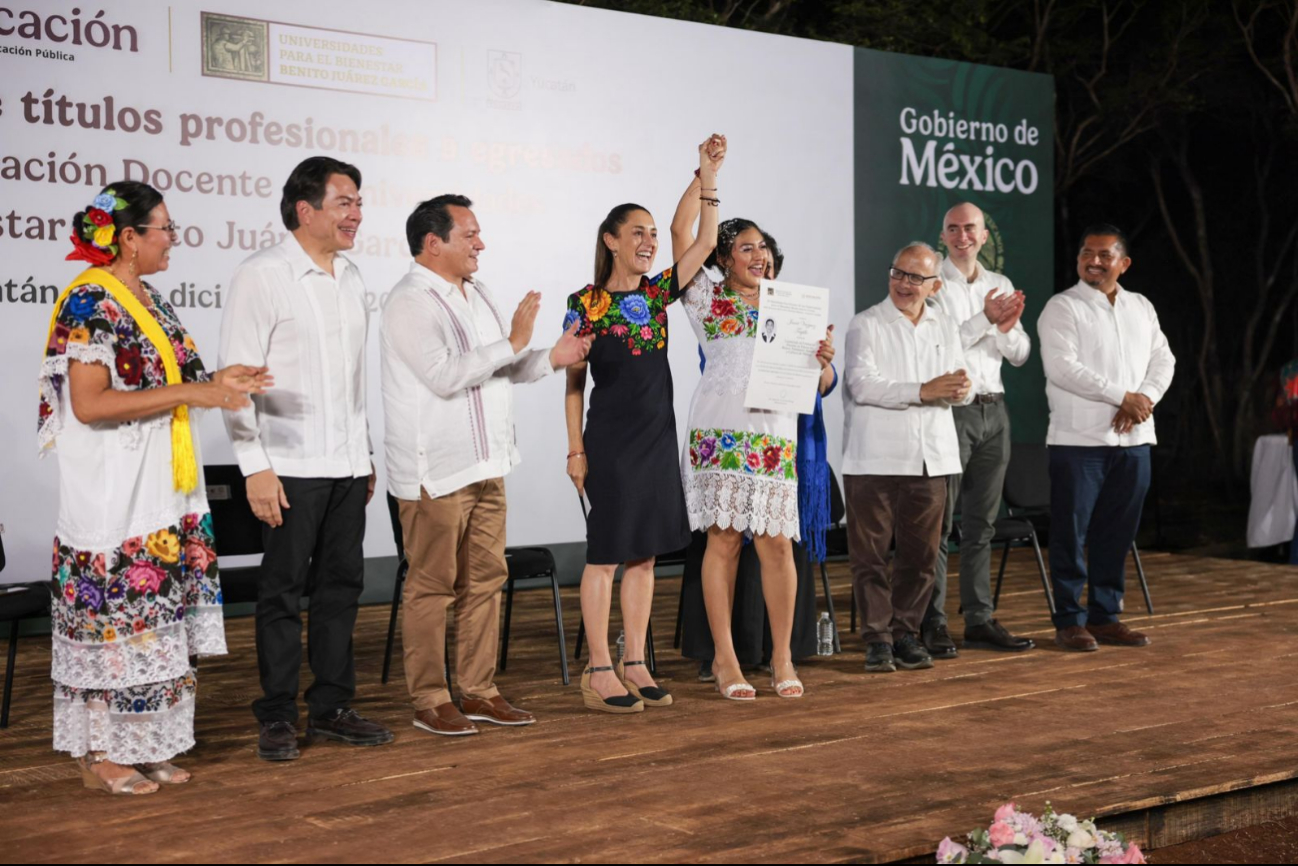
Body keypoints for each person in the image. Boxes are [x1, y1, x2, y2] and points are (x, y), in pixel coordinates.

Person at [39, 181, 270, 794]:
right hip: (117, 495)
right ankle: (99, 754)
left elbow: (177, 379)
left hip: (163, 490)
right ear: (127, 238)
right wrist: (195, 393)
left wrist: (221, 378)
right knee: (116, 618)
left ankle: (144, 741)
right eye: (163, 228)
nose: (174, 237)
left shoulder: (150, 298)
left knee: (157, 619)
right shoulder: (89, 301)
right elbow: (89, 405)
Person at [381, 194, 592, 736]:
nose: (481, 243)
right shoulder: (409, 300)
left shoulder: (478, 295)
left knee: (485, 580)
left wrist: (548, 356)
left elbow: (502, 369)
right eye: (469, 234)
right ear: (433, 243)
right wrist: (513, 341)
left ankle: (478, 690)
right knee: (432, 585)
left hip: (487, 464)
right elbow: (446, 375)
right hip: (438, 472)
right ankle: (430, 698)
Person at [220, 156, 392, 760]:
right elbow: (235, 381)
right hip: (286, 466)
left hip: (346, 467)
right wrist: (253, 465)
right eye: (344, 202)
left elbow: (351, 381)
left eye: (359, 202)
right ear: (305, 209)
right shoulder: (261, 275)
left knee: (341, 588)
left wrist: (364, 452)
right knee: (281, 593)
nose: (357, 213)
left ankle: (332, 706)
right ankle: (275, 714)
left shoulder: (352, 278)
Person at [563, 137, 722, 713]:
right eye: (638, 232)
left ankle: (635, 661)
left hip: (657, 440)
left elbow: (705, 239)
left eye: (654, 234)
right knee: (606, 552)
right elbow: (574, 384)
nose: (650, 242)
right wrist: (575, 450)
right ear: (610, 240)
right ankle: (598, 668)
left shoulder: (657, 296)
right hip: (609, 444)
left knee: (646, 555)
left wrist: (705, 178)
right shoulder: (586, 304)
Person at [675, 224, 838, 682]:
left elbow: (823, 384)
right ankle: (725, 660)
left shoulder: (790, 307)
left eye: (763, 246)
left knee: (778, 544)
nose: (759, 255)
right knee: (722, 542)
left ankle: (782, 657)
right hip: (719, 436)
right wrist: (707, 177)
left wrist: (822, 362)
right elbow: (679, 232)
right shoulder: (705, 299)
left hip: (772, 437)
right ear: (723, 257)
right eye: (746, 247)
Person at [1038, 225, 1175, 652]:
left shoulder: (1141, 306)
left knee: (1117, 532)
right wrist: (1122, 396)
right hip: (1078, 441)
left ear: (1124, 263)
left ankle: (1104, 616)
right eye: (1086, 254)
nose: (1093, 261)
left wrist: (1143, 400)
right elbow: (1062, 367)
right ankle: (1068, 620)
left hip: (1134, 440)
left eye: (1104, 255)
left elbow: (1163, 360)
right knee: (1070, 532)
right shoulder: (1063, 307)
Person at [842, 242, 972, 674]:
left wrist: (958, 390)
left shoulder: (945, 326)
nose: (904, 283)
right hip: (874, 459)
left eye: (916, 277)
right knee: (870, 557)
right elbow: (862, 385)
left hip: (931, 459)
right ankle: (877, 638)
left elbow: (958, 383)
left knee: (921, 557)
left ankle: (906, 633)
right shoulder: (866, 324)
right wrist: (922, 391)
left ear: (934, 286)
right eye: (899, 272)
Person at [922, 202, 1035, 657]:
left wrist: (1005, 328)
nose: (962, 235)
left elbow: (1022, 353)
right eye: (953, 229)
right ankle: (932, 621)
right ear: (944, 236)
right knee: (939, 523)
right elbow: (941, 347)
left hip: (995, 411)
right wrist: (985, 320)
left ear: (985, 235)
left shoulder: (999, 284)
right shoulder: (934, 285)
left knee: (982, 525)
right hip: (953, 411)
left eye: (970, 228)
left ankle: (979, 619)